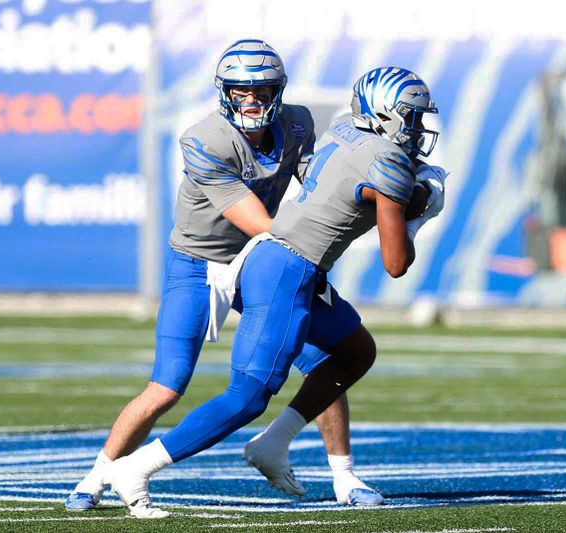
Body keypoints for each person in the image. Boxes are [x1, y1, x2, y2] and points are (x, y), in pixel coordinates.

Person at [104, 66, 447, 518]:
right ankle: (136, 467)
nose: (418, 127)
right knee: (248, 395)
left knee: (355, 351)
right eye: (412, 117)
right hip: (286, 269)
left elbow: (358, 179)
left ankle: (275, 440)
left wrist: (414, 185)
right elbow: (396, 263)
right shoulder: (389, 162)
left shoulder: (346, 127)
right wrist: (420, 213)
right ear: (385, 115)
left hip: (280, 256)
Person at [66, 39, 382, 513]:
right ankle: (97, 476)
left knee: (323, 358)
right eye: (241, 91)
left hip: (263, 260)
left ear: (279, 91)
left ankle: (344, 477)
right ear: (224, 92)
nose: (252, 100)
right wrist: (315, 247)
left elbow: (317, 190)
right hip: (202, 264)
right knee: (166, 386)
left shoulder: (297, 123)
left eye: (262, 91)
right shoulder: (204, 139)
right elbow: (258, 221)